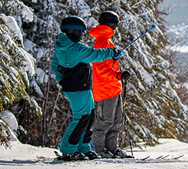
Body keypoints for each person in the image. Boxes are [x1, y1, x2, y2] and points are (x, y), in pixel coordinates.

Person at [51, 16, 125, 161]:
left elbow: (55, 66)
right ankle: (68, 149)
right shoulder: (75, 48)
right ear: (72, 31)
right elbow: (95, 54)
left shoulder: (62, 47)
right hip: (78, 88)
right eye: (80, 31)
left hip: (80, 87)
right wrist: (112, 53)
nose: (81, 34)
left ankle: (84, 146)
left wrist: (62, 80)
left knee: (89, 116)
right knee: (81, 118)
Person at [90, 11, 133, 159]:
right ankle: (99, 149)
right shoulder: (102, 40)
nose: (116, 28)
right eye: (115, 24)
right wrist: (117, 75)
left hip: (113, 88)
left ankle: (112, 148)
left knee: (116, 121)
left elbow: (109, 66)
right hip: (105, 90)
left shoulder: (107, 40)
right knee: (104, 122)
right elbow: (100, 69)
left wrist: (119, 75)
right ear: (111, 24)